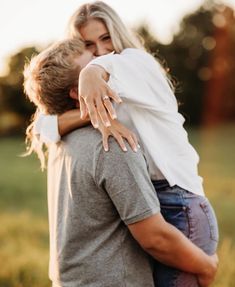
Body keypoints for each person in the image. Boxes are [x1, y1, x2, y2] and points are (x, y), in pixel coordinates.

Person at [28, 2, 219, 286]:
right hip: (150, 201)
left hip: (177, 200)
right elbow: (43, 127)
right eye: (89, 45)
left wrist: (89, 73)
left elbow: (105, 68)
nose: (101, 50)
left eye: (106, 38)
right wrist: (89, 112)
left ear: (117, 33)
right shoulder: (94, 90)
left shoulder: (135, 64)